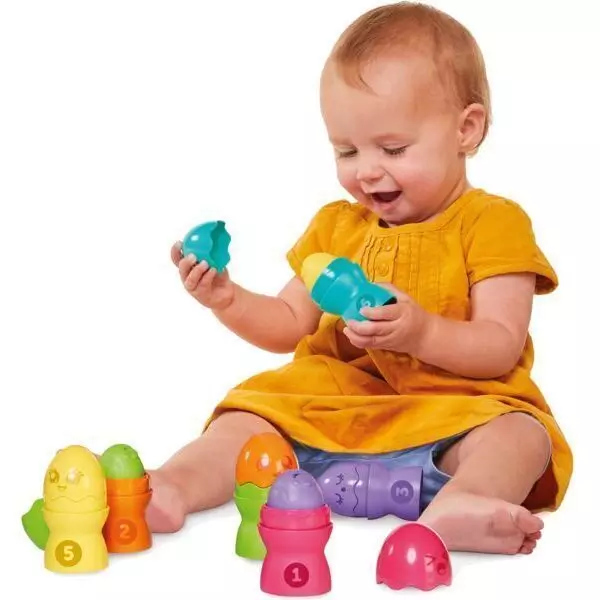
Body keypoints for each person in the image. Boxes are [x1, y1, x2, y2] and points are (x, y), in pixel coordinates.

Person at [147, 1, 573, 554]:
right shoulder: (336, 227)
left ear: (466, 129)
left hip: (452, 413)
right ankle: (172, 487)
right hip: (331, 414)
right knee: (245, 416)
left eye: (393, 149)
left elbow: (499, 345)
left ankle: (462, 502)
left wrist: (422, 332)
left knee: (521, 435)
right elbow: (288, 324)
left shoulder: (494, 223)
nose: (366, 170)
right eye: (346, 150)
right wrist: (226, 299)